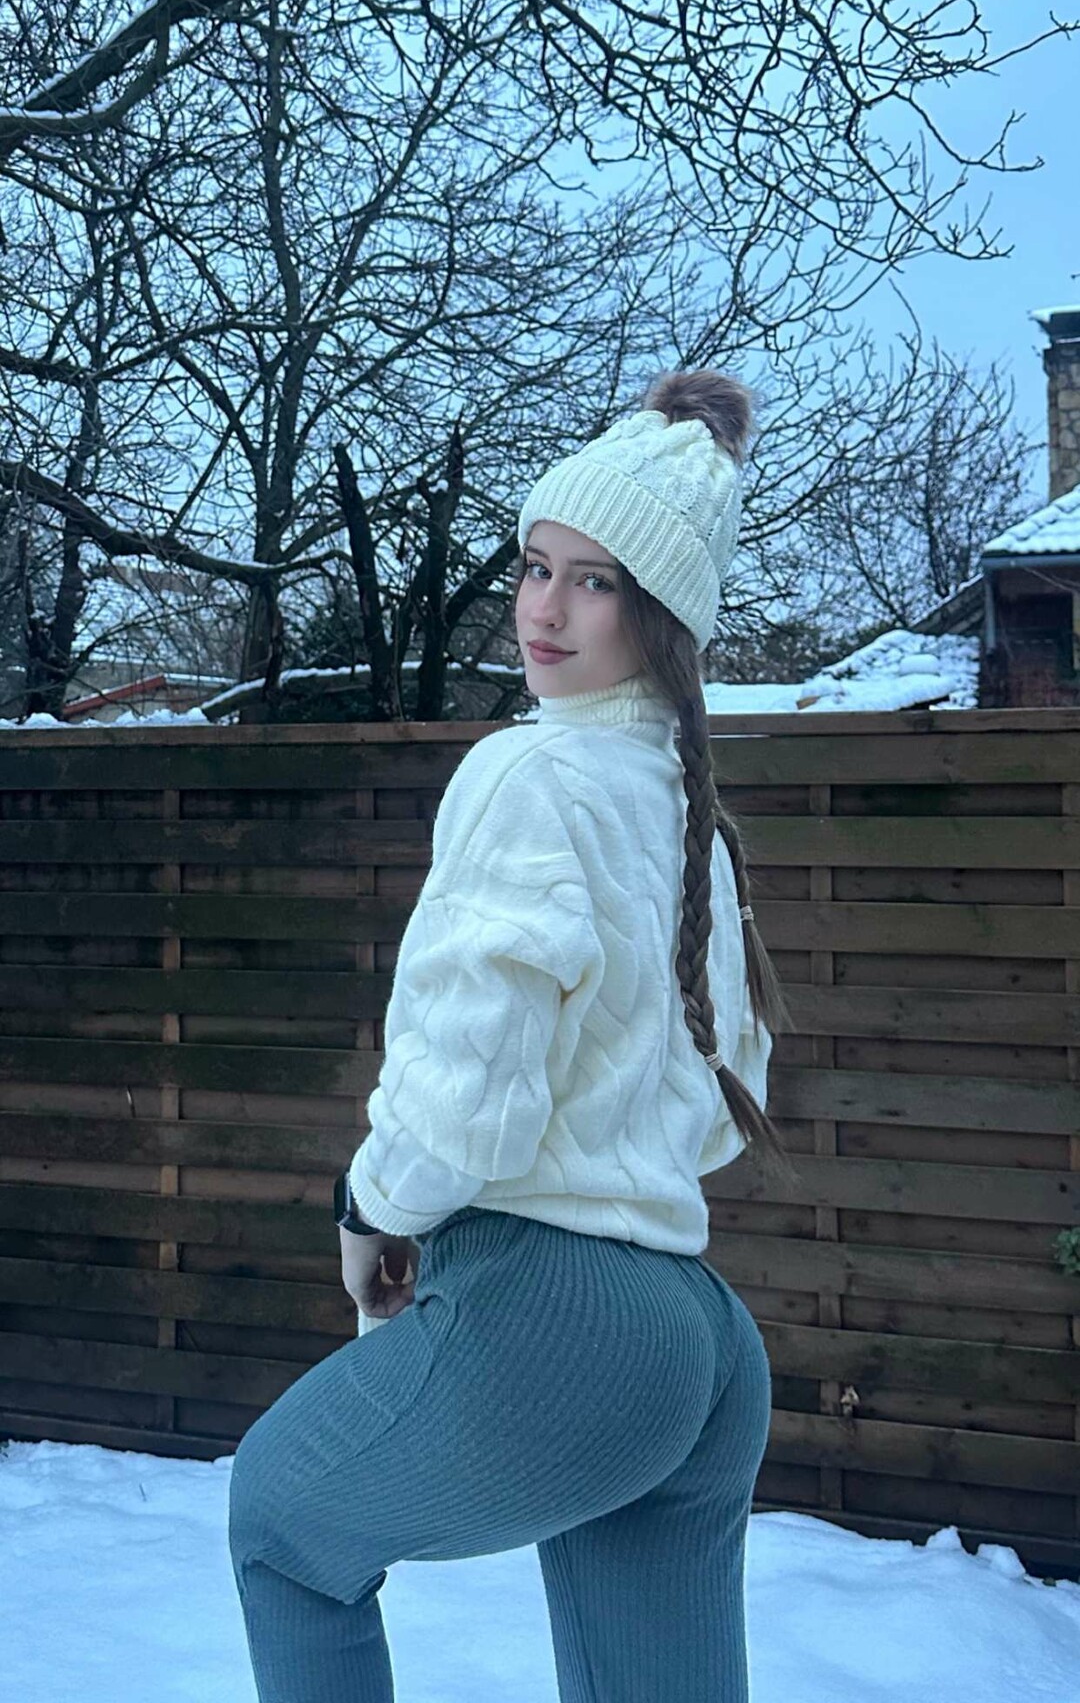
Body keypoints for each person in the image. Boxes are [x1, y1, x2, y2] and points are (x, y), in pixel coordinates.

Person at [228, 368, 795, 1703]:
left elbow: (467, 1096)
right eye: (537, 567)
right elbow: (722, 1106)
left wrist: (371, 1209)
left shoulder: (529, 771)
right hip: (703, 1345)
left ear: (661, 615)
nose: (543, 609)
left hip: (559, 1316)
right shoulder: (688, 812)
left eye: (594, 583)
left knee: (281, 1525)